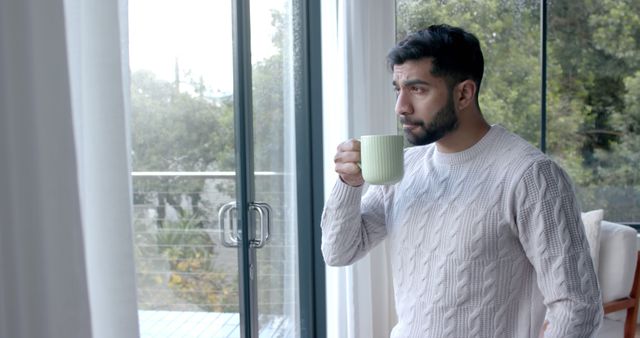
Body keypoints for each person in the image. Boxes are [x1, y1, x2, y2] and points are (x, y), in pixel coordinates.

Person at [321, 24, 603, 337]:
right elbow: (339, 251)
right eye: (397, 89)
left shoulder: (531, 175)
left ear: (464, 93)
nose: (401, 107)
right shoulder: (405, 168)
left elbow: (577, 305)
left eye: (418, 89)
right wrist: (348, 185)